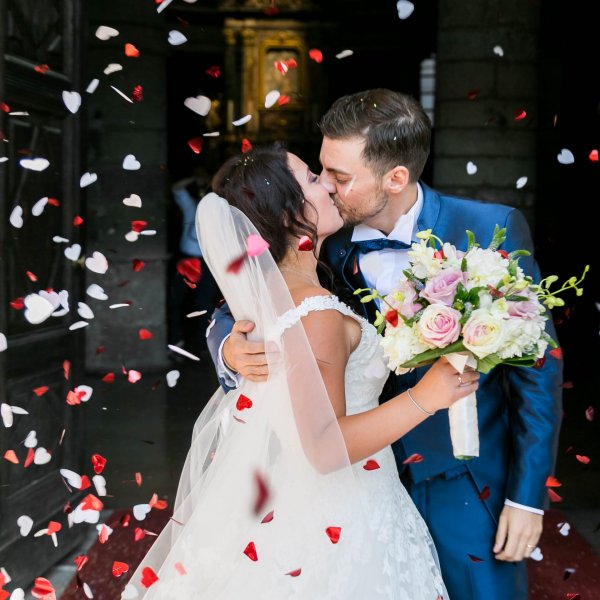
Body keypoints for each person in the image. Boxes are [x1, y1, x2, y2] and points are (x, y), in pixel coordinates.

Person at [208, 90, 563, 600]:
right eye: (322, 170)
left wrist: (527, 498)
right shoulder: (319, 235)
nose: (324, 188)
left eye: (340, 177)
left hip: (466, 481)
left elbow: (538, 371)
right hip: (360, 484)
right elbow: (247, 294)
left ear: (396, 178)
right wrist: (228, 348)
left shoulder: (490, 230)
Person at [130, 144, 480, 598]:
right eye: (313, 179)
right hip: (337, 504)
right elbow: (323, 447)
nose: (328, 184)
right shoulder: (315, 312)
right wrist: (425, 397)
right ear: (289, 214)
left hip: (306, 493)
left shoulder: (279, 295)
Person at [168, 169, 222, 355]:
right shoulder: (192, 207)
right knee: (176, 302)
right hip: (186, 260)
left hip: (206, 262)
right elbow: (176, 188)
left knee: (206, 303)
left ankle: (205, 343)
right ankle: (175, 340)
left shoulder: (220, 215)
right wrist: (196, 177)